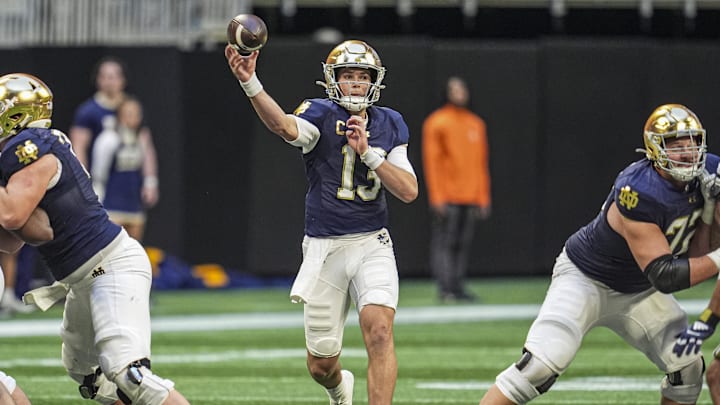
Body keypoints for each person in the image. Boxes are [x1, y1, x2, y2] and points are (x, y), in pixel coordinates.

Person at [479, 103, 720, 405]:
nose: (687, 152)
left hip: (638, 290)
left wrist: (712, 213)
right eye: (676, 144)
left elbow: (697, 253)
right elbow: (666, 275)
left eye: (692, 141)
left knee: (687, 370)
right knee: (539, 367)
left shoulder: (711, 172)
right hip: (587, 279)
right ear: (654, 149)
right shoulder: (639, 190)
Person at [225, 39, 418, 405]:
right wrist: (250, 82)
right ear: (334, 80)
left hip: (371, 243)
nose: (357, 83)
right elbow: (283, 126)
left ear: (374, 81)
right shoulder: (320, 113)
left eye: (363, 76)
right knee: (321, 365)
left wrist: (369, 155)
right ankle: (338, 389)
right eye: (349, 76)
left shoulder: (391, 123)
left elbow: (408, 191)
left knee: (379, 331)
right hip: (325, 248)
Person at [0, 73, 189, 405]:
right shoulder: (25, 151)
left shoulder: (30, 147)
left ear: (15, 114)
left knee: (131, 375)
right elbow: (16, 238)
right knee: (90, 377)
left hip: (109, 266)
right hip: (83, 277)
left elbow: (12, 215)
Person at [421, 76, 491, 303]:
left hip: (469, 195)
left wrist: (483, 196)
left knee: (462, 243)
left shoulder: (475, 124)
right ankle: (446, 288)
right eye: (455, 89)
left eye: (462, 88)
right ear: (447, 93)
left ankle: (458, 286)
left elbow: (481, 163)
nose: (460, 93)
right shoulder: (437, 122)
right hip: (448, 195)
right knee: (445, 242)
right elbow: (432, 162)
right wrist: (437, 196)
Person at [91, 96, 159, 242]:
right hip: (112, 198)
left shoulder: (142, 137)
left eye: (136, 114)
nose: (133, 118)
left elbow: (148, 160)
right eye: (128, 114)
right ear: (119, 115)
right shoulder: (108, 138)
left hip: (133, 198)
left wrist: (150, 183)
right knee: (114, 244)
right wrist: (98, 193)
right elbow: (99, 170)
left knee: (135, 245)